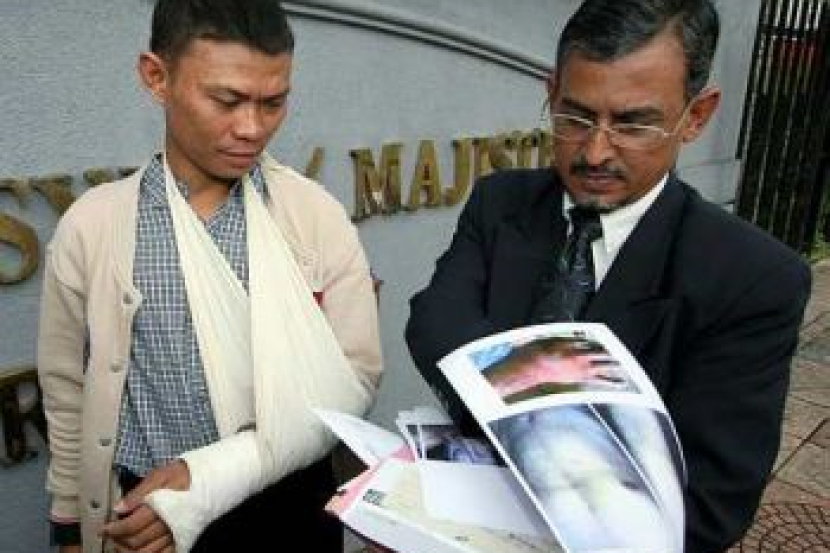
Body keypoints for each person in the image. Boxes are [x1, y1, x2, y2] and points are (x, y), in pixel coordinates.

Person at [405, 0, 811, 551]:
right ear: (552, 93)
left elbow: (710, 504)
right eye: (575, 118)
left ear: (696, 115)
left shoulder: (752, 278)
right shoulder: (500, 203)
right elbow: (435, 321)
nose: (595, 152)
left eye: (632, 124)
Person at [37, 1, 382, 552]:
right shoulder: (94, 228)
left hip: (291, 507)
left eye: (273, 103)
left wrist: (207, 478)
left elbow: (352, 383)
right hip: (143, 520)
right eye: (226, 100)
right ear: (157, 77)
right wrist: (71, 527)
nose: (251, 128)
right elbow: (66, 394)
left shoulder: (315, 218)